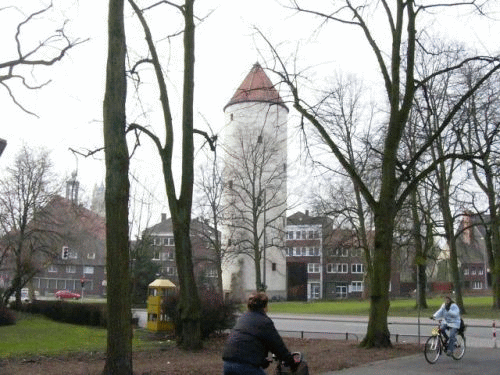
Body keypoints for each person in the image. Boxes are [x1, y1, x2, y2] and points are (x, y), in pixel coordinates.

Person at [222, 291, 299, 374]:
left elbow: (245, 344)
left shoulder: (243, 318)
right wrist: (291, 362)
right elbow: (278, 346)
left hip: (228, 364)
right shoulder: (265, 322)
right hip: (245, 366)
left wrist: (261, 361)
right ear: (265, 307)